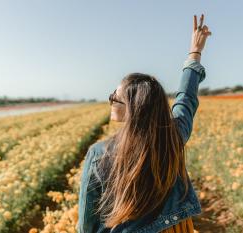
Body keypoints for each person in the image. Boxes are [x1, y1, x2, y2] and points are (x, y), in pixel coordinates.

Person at [77, 14, 212, 233]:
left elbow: (86, 222)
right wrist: (195, 52)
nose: (110, 99)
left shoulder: (99, 153)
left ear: (134, 107)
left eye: (115, 97)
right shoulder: (173, 137)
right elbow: (186, 99)